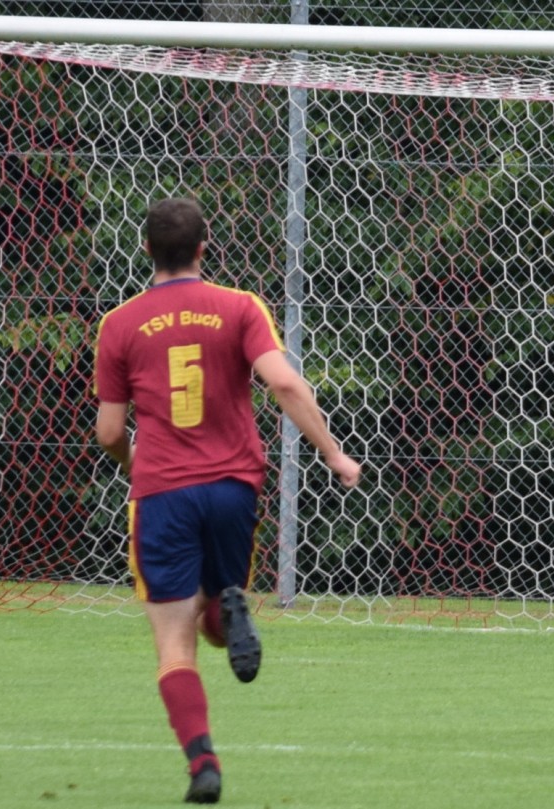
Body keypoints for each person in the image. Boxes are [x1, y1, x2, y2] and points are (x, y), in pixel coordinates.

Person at [94, 198, 361, 804]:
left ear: (146, 250)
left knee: (174, 641)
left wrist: (135, 466)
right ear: (203, 246)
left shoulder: (120, 324)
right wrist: (333, 454)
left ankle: (203, 764)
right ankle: (229, 607)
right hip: (233, 487)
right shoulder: (240, 306)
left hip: (163, 492)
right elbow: (284, 382)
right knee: (215, 614)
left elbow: (109, 432)